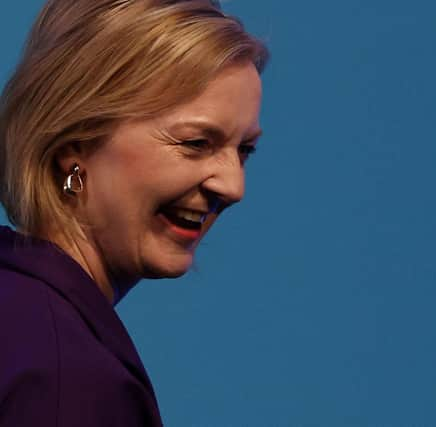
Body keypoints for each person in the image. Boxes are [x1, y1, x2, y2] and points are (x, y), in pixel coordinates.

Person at [0, 0, 268, 425]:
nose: (234, 187)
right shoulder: (66, 379)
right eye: (196, 143)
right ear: (75, 147)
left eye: (245, 150)